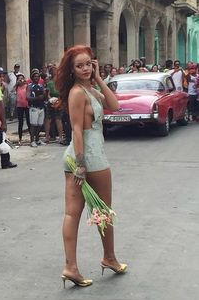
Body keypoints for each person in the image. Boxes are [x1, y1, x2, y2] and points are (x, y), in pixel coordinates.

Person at [55, 45, 127, 287]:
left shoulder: (91, 89)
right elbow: (76, 129)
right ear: (72, 70)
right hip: (89, 158)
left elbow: (115, 105)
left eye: (89, 64)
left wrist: (98, 78)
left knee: (81, 212)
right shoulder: (77, 93)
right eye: (80, 66)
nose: (85, 68)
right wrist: (82, 165)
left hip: (82, 157)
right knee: (100, 212)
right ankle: (106, 258)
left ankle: (78, 265)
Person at [26, 69, 46, 147]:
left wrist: (45, 94)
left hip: (41, 107)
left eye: (38, 76)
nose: (36, 78)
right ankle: (32, 140)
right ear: (32, 77)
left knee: (40, 124)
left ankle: (37, 139)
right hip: (34, 107)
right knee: (33, 125)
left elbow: (44, 96)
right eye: (35, 76)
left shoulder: (41, 86)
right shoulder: (30, 86)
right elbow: (27, 97)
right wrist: (37, 97)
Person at [44, 66, 64, 144]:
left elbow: (62, 93)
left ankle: (60, 137)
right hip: (51, 102)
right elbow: (48, 94)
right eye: (52, 71)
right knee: (48, 119)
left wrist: (58, 100)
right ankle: (47, 137)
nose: (54, 72)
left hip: (59, 102)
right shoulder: (49, 83)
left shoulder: (60, 83)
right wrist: (51, 100)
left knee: (58, 119)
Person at [15, 73, 30, 145]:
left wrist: (25, 82)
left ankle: (31, 138)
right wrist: (16, 84)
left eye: (22, 78)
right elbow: (12, 91)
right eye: (19, 78)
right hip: (19, 106)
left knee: (28, 122)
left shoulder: (26, 85)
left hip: (27, 106)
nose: (21, 80)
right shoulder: (16, 87)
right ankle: (20, 138)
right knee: (20, 122)